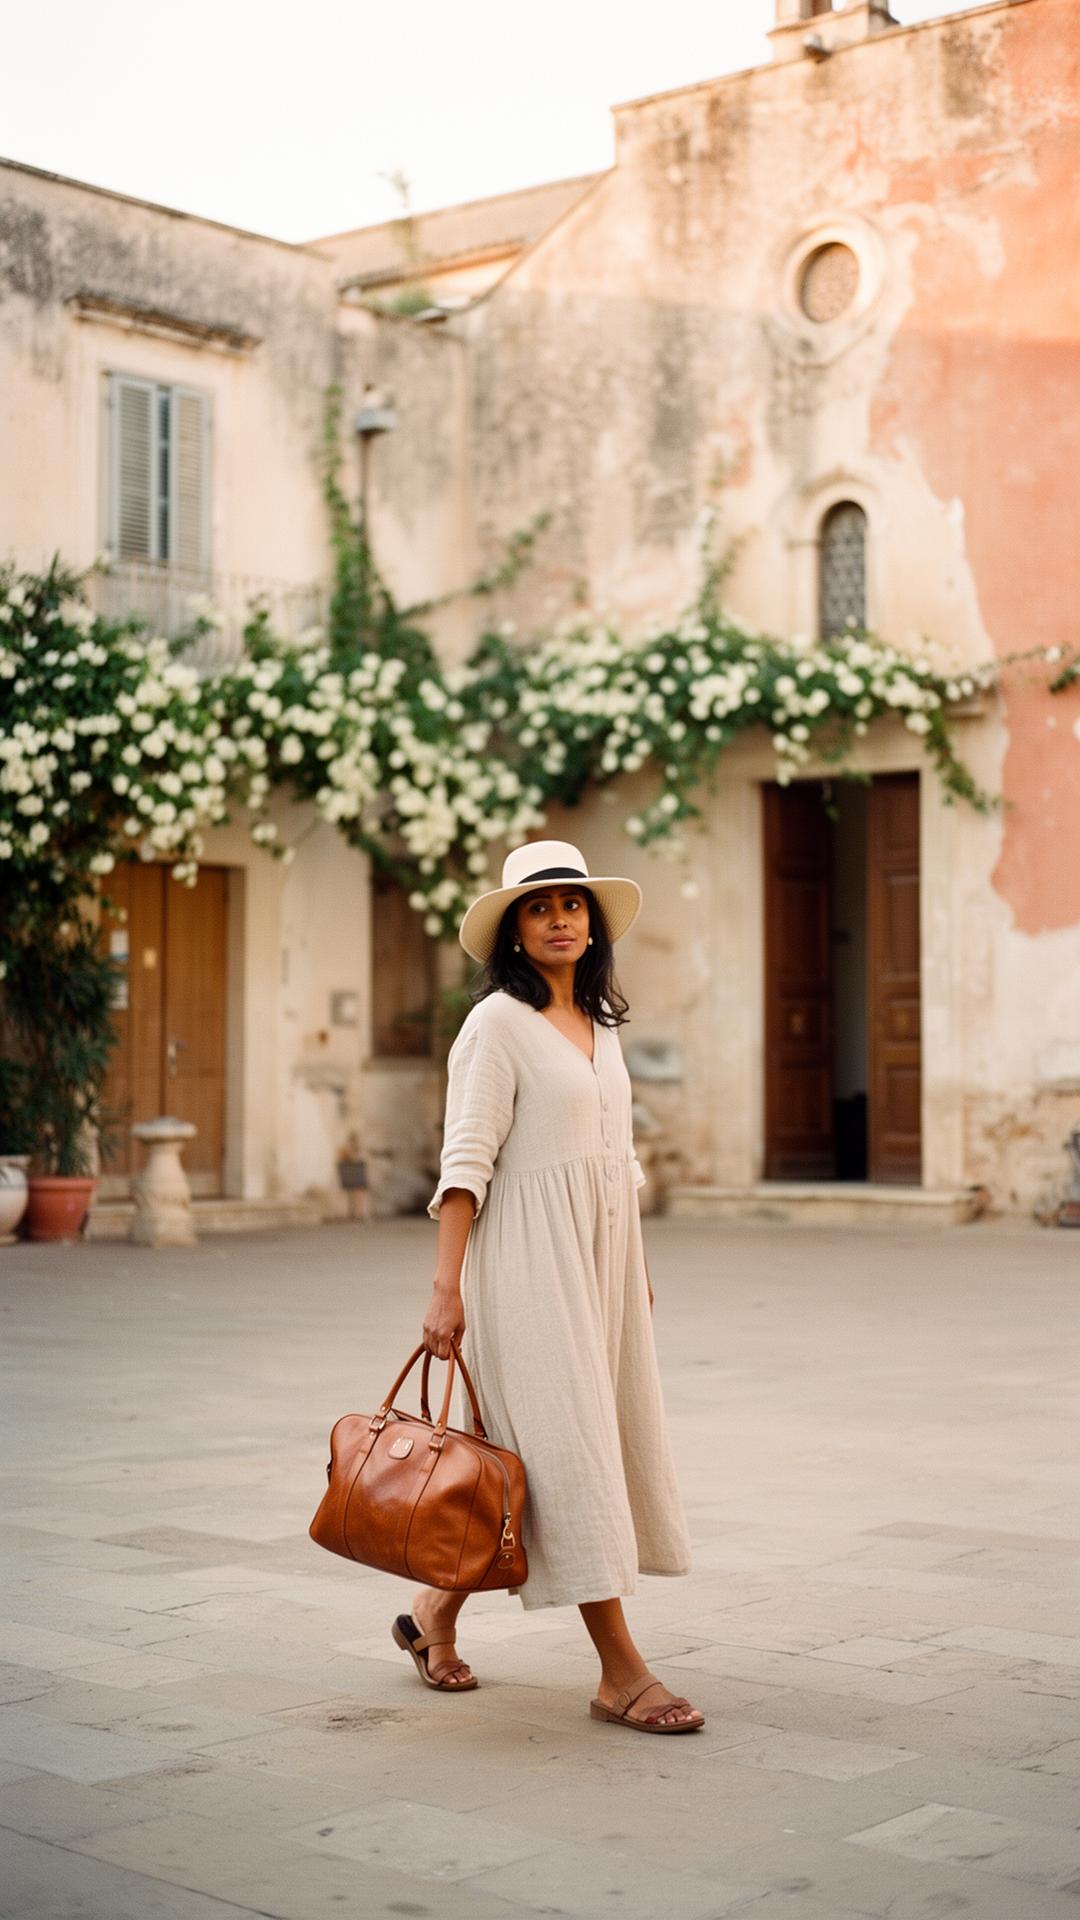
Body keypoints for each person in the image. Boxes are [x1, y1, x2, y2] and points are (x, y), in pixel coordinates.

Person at [393, 839, 704, 1734]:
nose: (560, 918)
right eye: (540, 907)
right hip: (525, 1263)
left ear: (592, 924)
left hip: (599, 1264)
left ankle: (431, 1619)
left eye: (573, 905)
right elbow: (466, 1162)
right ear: (515, 932)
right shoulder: (493, 1025)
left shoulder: (602, 1026)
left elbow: (619, 1158)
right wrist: (445, 1289)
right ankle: (621, 1673)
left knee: (537, 1460)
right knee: (568, 1460)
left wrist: (634, 1266)